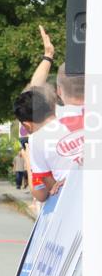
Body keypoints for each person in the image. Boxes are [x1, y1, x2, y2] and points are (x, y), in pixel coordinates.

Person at [26, 61, 84, 201]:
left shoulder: (46, 126)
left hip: (71, 207)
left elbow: (42, 194)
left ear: (58, 90)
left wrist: (47, 58)